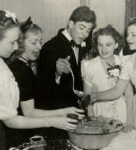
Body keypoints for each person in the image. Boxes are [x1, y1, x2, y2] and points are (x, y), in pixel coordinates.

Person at [0, 10, 80, 150]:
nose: (17, 46)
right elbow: (19, 116)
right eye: (12, 42)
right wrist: (55, 119)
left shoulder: (10, 64)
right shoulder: (14, 70)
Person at [35, 6, 96, 143]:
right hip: (58, 118)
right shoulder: (50, 47)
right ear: (70, 23)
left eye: (88, 30)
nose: (85, 34)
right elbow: (41, 88)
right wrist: (56, 72)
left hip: (75, 113)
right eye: (81, 28)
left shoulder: (82, 44)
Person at [91, 18, 136, 140]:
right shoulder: (127, 61)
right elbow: (117, 90)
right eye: (128, 35)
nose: (128, 39)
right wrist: (92, 95)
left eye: (133, 35)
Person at [81, 25, 134, 131]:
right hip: (100, 115)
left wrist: (129, 122)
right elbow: (88, 100)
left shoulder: (124, 62)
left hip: (122, 113)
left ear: (116, 45)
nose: (104, 49)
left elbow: (129, 95)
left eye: (108, 45)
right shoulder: (89, 66)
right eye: (100, 45)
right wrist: (92, 122)